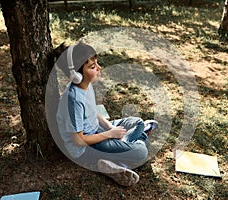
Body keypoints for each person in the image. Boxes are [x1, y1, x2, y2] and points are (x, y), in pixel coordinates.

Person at [56, 42, 158, 186]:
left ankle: (120, 152)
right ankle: (121, 159)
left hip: (98, 130)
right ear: (77, 75)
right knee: (141, 152)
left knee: (139, 122)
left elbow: (92, 111)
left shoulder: (85, 84)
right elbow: (78, 141)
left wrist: (110, 127)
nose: (99, 68)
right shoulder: (74, 100)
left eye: (96, 63)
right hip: (86, 148)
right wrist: (110, 135)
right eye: (92, 67)